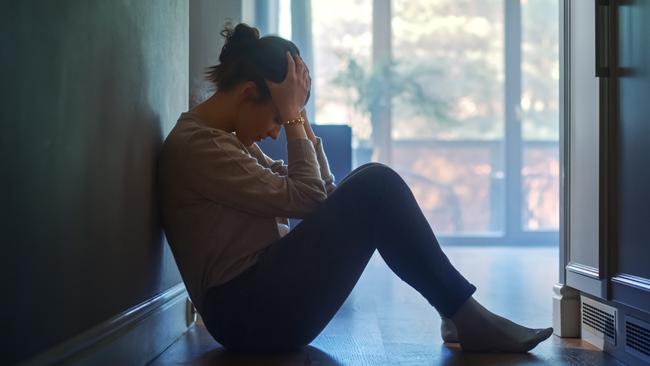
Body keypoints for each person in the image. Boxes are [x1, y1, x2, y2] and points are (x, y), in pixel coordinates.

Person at [157, 22, 553, 354]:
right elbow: (310, 197)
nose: (275, 131)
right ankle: (464, 316)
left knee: (372, 182)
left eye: (284, 120)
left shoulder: (222, 141)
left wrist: (300, 119)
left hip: (258, 303)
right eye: (278, 117)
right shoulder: (200, 146)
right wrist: (294, 117)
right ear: (247, 94)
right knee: (376, 183)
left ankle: (459, 315)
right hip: (247, 316)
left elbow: (321, 196)